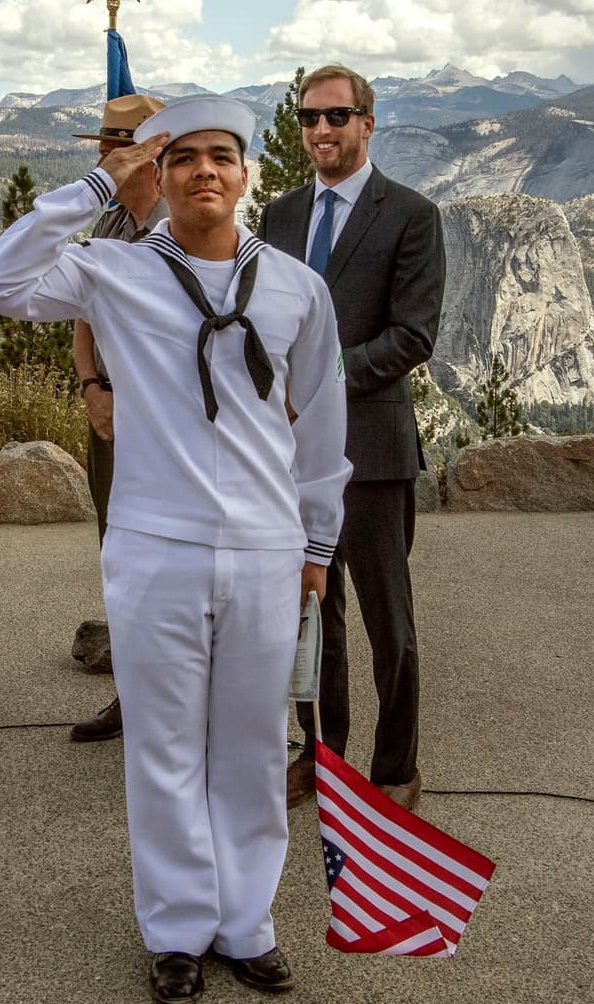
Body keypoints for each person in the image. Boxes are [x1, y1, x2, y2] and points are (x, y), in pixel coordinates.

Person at [0, 96, 351, 1002]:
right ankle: (178, 927)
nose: (204, 171)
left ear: (248, 173)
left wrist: (319, 540)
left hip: (265, 546)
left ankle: (247, 921)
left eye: (223, 155)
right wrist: (103, 180)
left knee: (253, 746)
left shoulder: (299, 287)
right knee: (165, 747)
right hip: (154, 545)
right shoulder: (115, 271)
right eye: (184, 159)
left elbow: (324, 424)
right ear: (161, 174)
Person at [258, 63, 445, 811]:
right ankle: (322, 754)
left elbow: (412, 336)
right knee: (312, 617)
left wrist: (317, 382)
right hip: (290, 457)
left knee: (387, 623)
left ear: (368, 122)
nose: (321, 130)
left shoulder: (410, 214)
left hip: (370, 450)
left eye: (337, 116)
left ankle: (396, 767)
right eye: (308, 117)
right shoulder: (277, 217)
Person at [68, 93, 166, 744]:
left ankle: (179, 702)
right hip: (108, 415)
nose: (105, 159)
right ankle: (131, 694)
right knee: (121, 559)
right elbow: (83, 316)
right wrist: (92, 386)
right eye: (104, 147)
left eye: (116, 148)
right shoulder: (108, 229)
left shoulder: (180, 225)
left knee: (171, 560)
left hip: (162, 423)